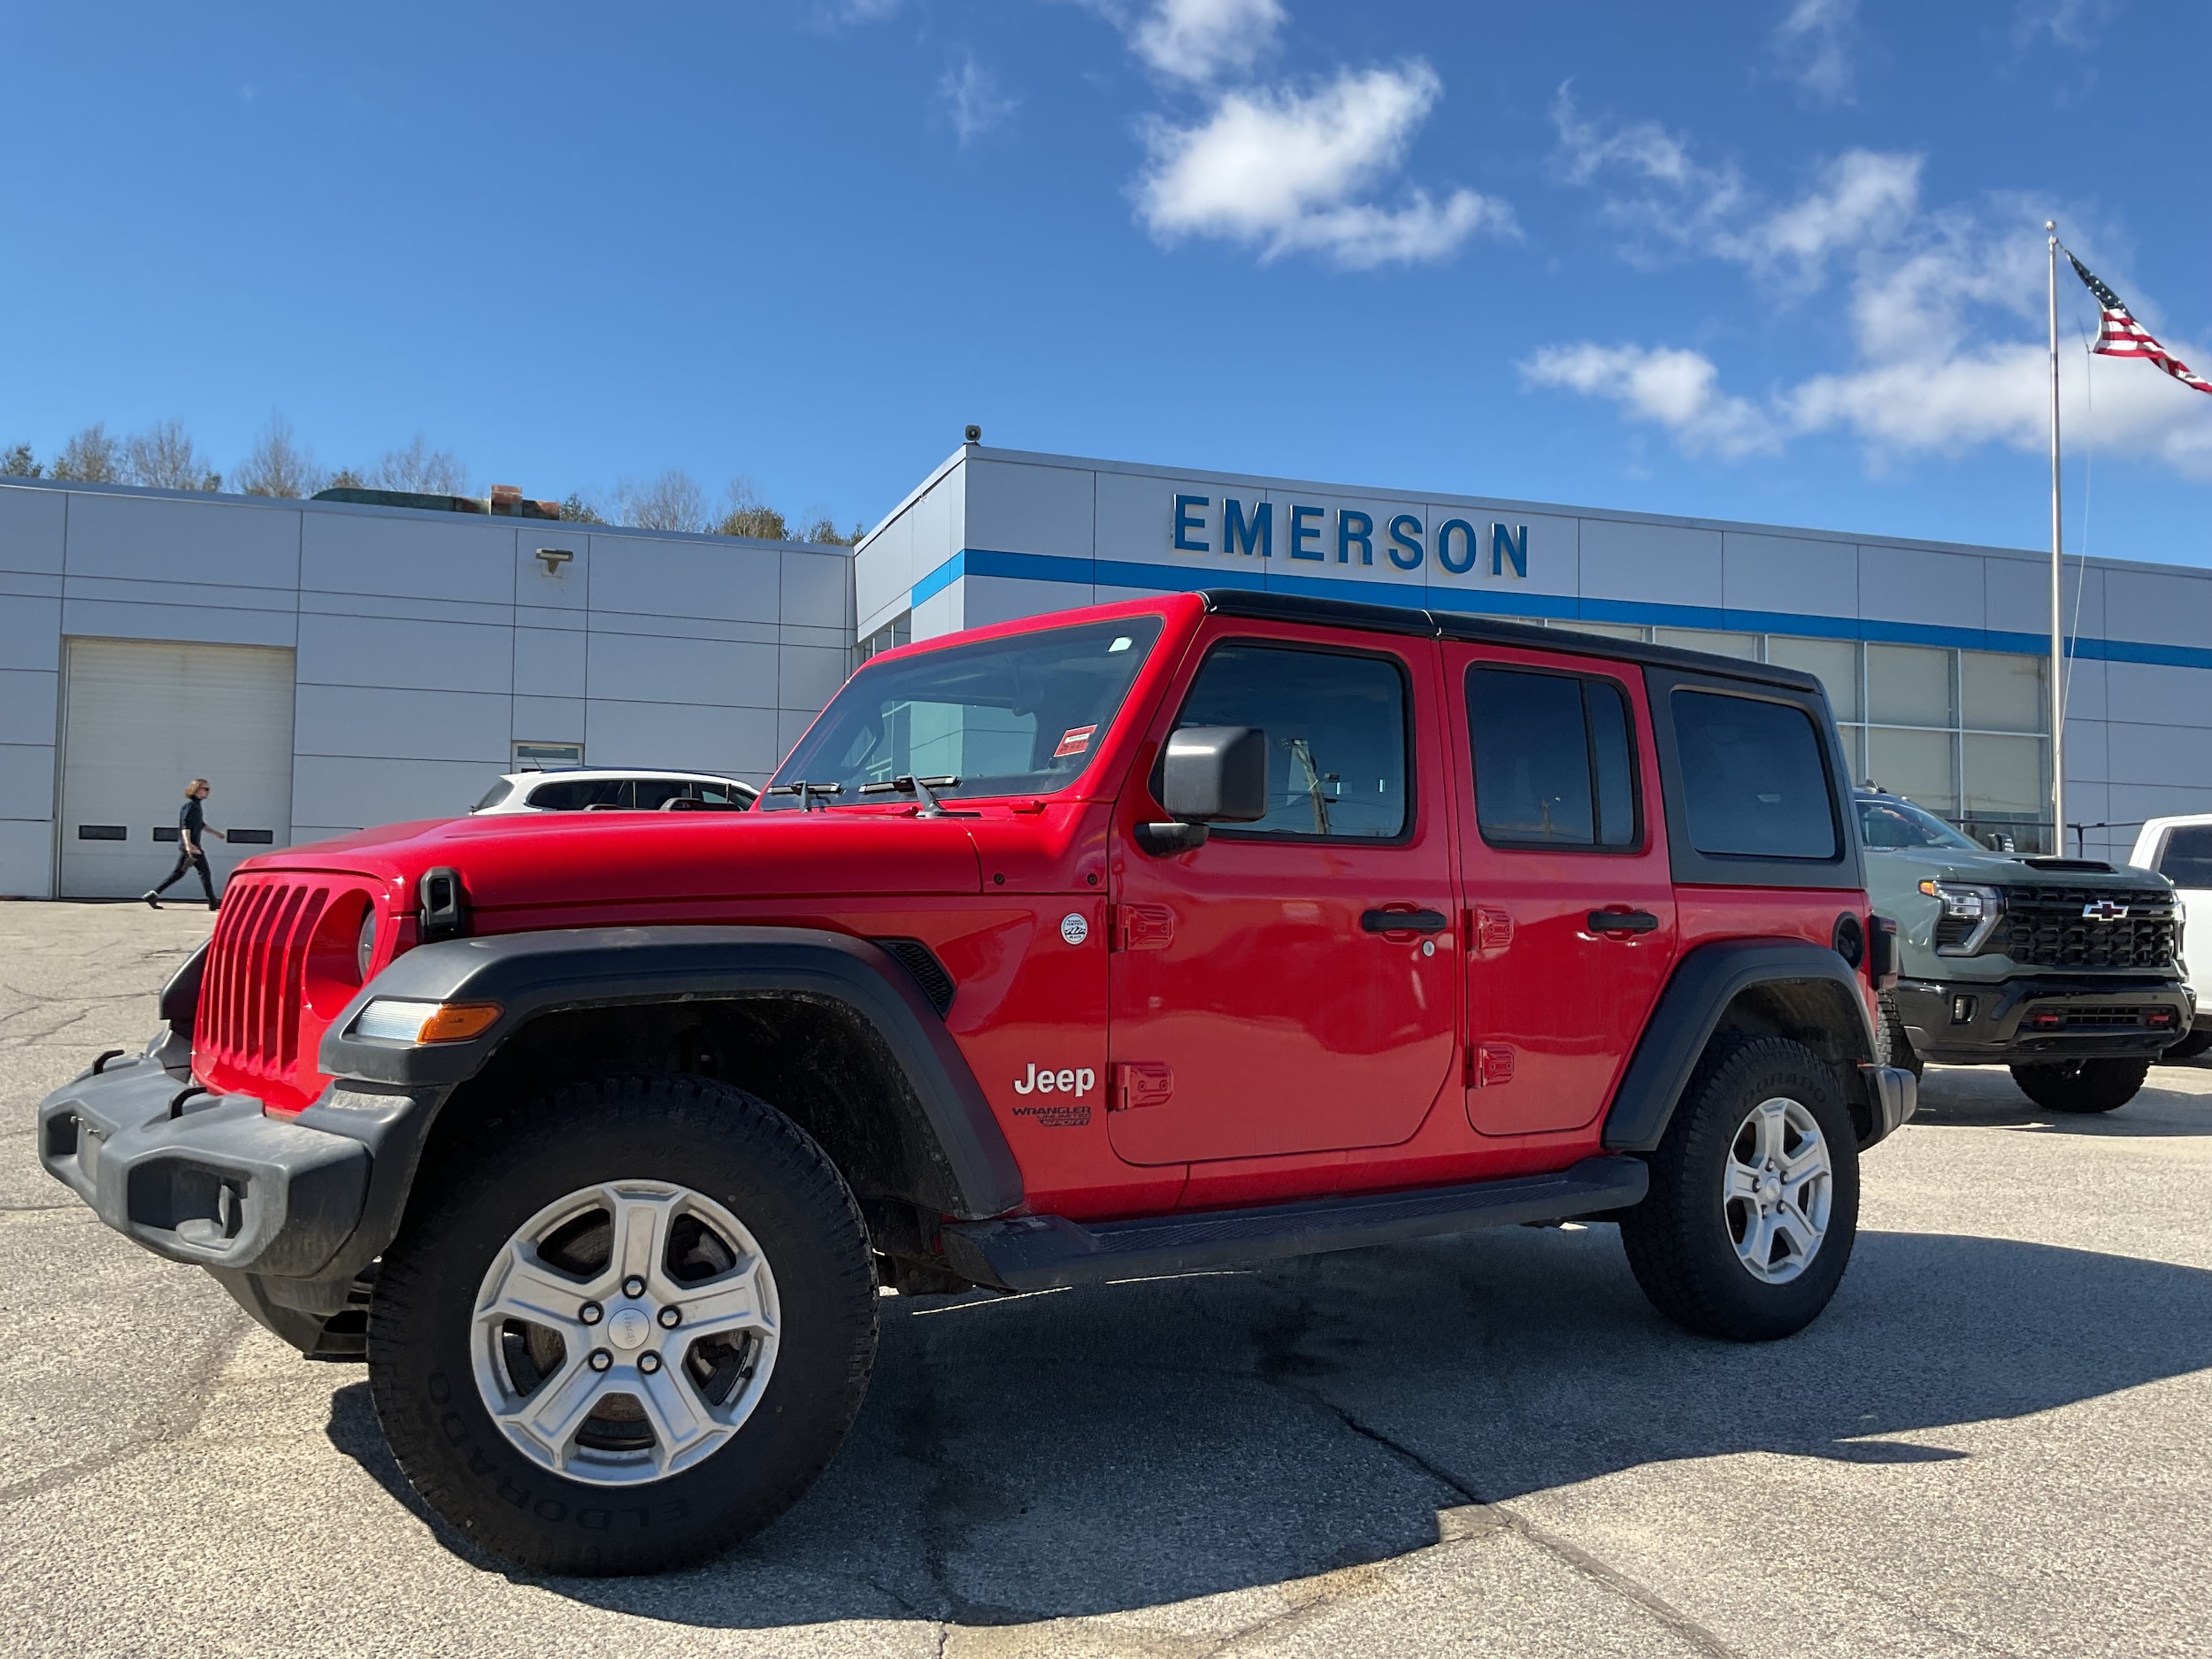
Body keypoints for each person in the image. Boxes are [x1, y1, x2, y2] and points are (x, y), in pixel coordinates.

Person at [145, 779, 226, 910]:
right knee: (204, 872)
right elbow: (185, 826)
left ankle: (153, 894)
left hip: (191, 846)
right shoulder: (190, 806)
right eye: (205, 789)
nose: (208, 792)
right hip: (191, 847)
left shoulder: (197, 806)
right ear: (196, 789)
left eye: (208, 789)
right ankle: (213, 902)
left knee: (180, 873)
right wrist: (189, 846)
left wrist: (215, 833)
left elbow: (200, 824)